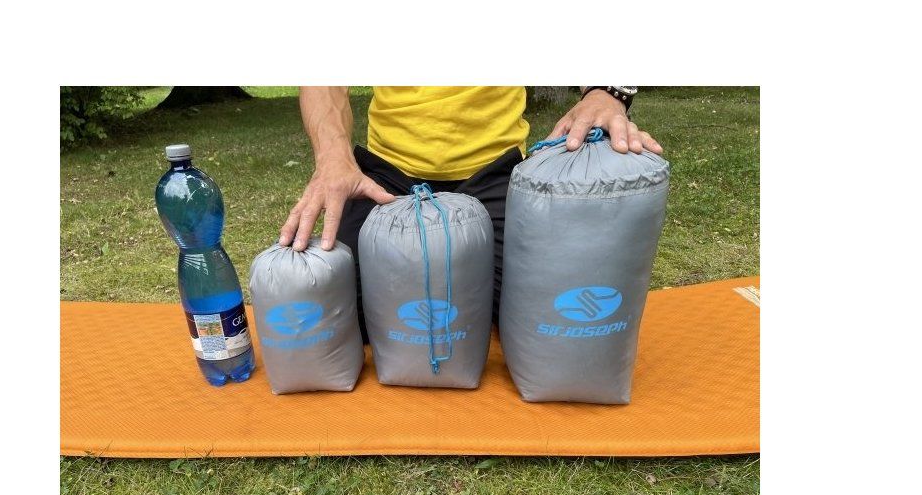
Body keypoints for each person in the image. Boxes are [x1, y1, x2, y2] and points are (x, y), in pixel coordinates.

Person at [278, 86, 663, 339]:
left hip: (493, 174)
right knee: (335, 316)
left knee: (545, 317)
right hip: (385, 181)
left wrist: (607, 93)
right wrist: (332, 157)